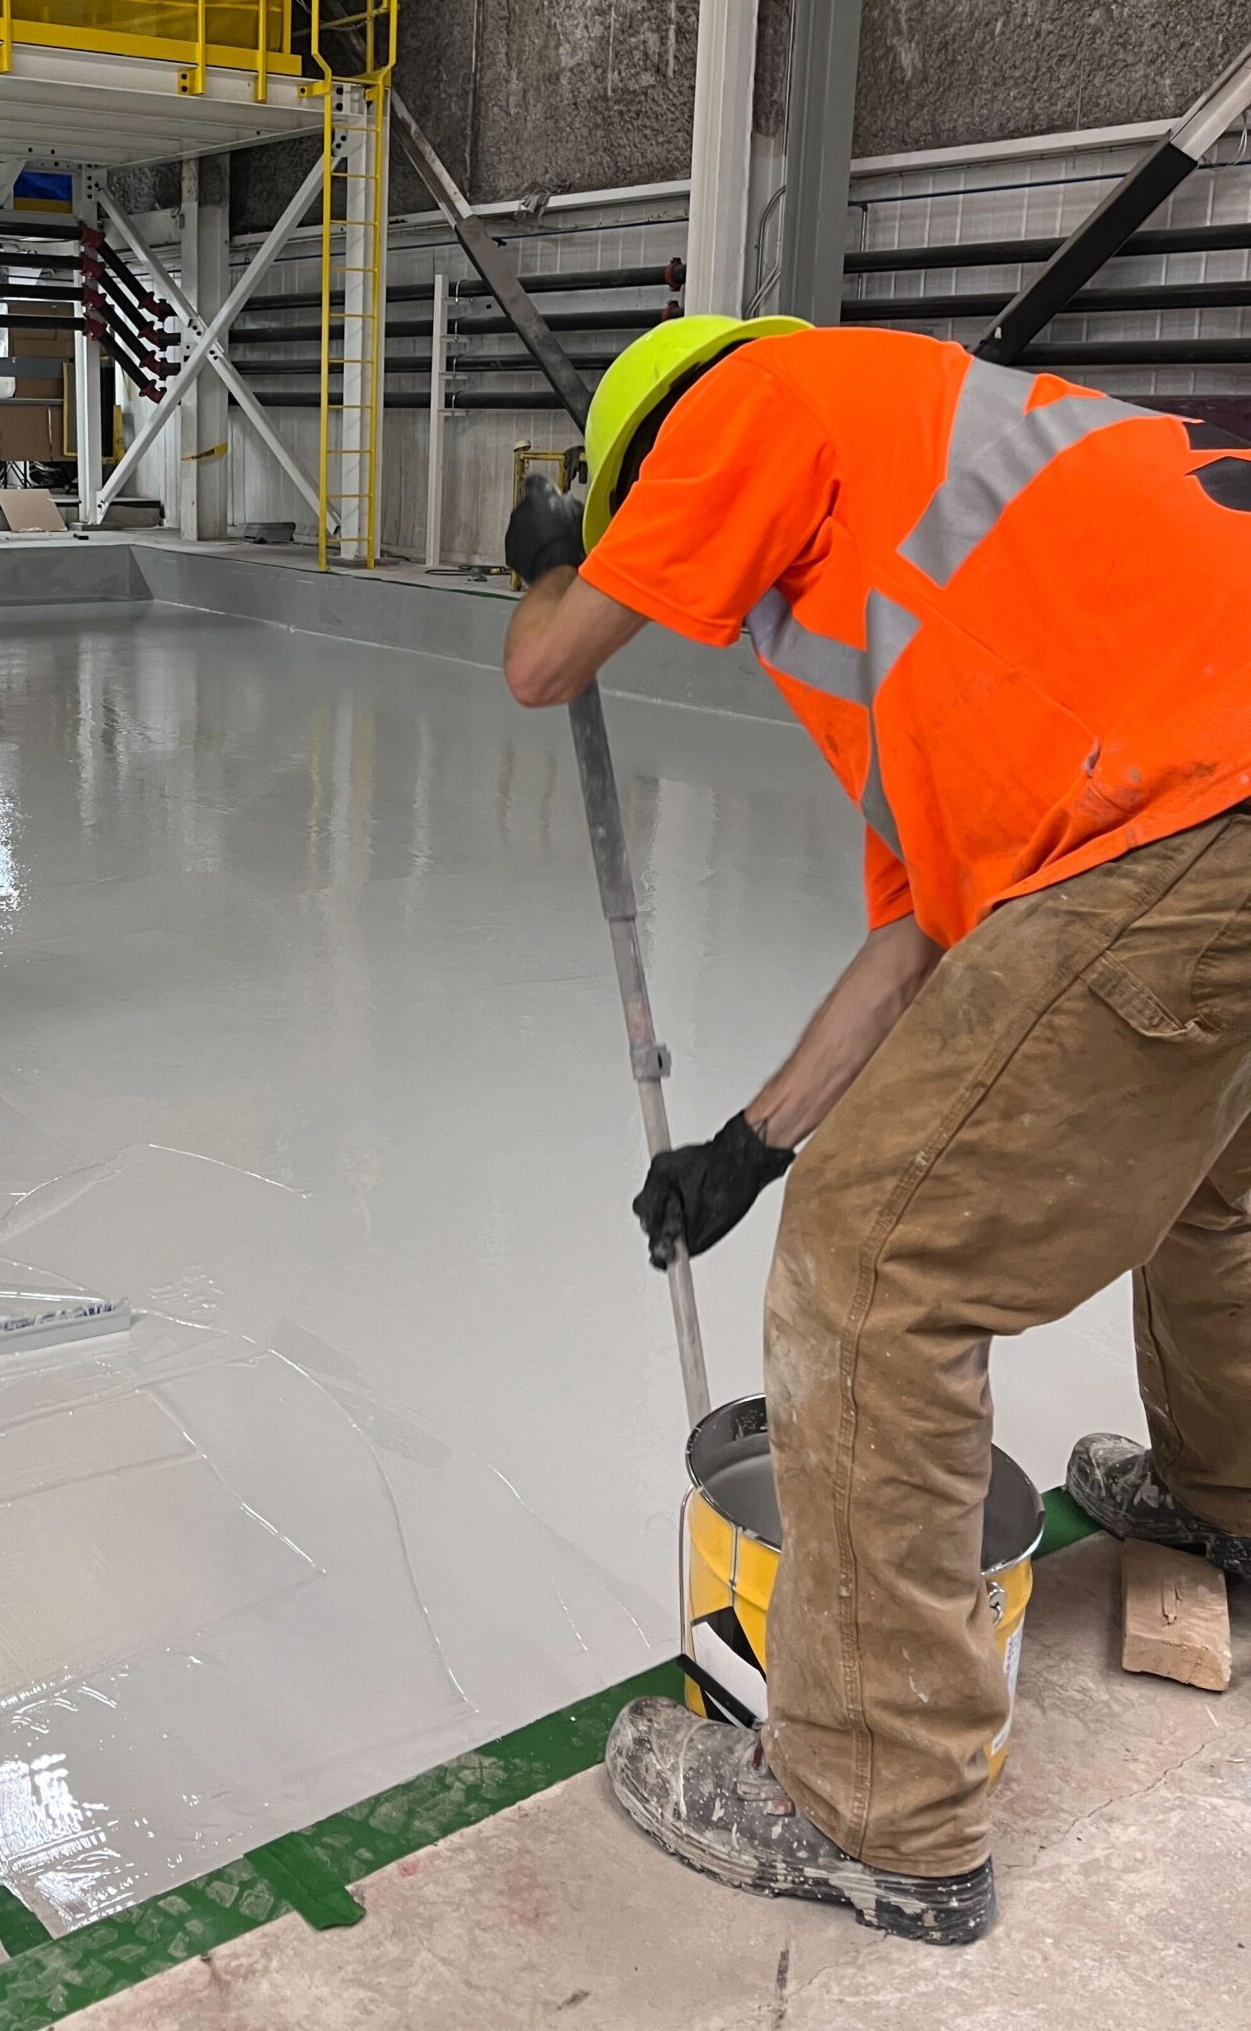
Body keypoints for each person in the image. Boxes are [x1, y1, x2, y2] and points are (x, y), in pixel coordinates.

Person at [502, 315, 1251, 1946]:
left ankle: (875, 1806)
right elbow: (920, 944)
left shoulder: (754, 397)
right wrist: (750, 1144)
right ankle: (1230, 1499)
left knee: (873, 1266)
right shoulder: (970, 632)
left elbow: (546, 663)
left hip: (1201, 806)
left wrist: (551, 559)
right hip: (1213, 770)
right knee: (1216, 1169)